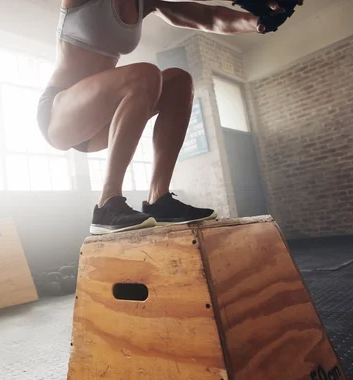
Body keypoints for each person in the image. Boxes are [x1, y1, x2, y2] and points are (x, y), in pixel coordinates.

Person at [37, 0, 302, 235]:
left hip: (101, 123)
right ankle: (107, 203)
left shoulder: (146, 3)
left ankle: (159, 199)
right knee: (145, 74)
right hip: (59, 114)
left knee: (178, 81)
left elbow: (208, 18)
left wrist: (257, 20)